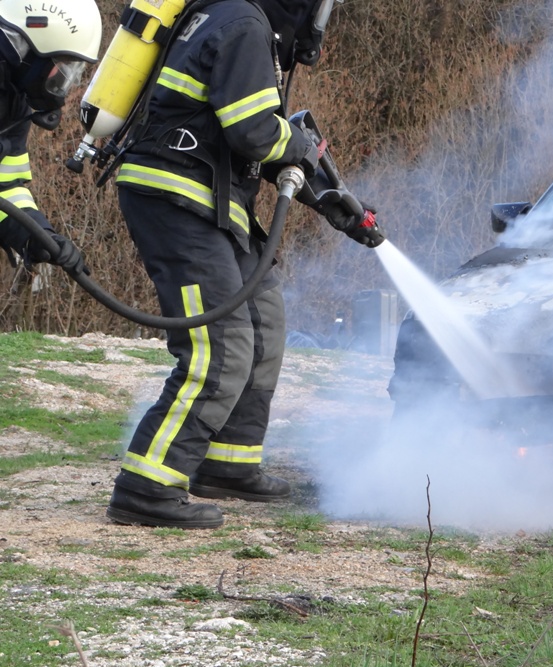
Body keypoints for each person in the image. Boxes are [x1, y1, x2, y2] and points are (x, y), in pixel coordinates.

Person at [106, 0, 384, 529]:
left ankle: (228, 463)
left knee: (262, 324)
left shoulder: (236, 19)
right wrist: (301, 144)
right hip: (179, 197)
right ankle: (147, 486)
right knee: (220, 347)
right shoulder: (243, 24)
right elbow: (255, 131)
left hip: (211, 199)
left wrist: (332, 199)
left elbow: (254, 138)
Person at [0, 0, 102, 277]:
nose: (64, 79)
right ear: (34, 48)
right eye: (63, 65)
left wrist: (37, 235)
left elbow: (5, 188)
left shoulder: (14, 107)